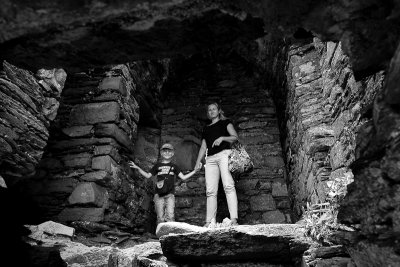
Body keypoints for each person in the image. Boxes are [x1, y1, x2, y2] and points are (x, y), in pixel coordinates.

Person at [129, 143, 199, 224]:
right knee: (160, 217)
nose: (167, 153)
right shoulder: (157, 166)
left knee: (170, 215)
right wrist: (138, 168)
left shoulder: (174, 167)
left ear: (173, 153)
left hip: (170, 194)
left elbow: (183, 177)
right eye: (165, 151)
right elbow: (148, 176)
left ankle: (170, 234)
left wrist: (194, 171)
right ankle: (160, 235)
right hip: (158, 194)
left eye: (169, 151)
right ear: (161, 153)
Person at [195, 102, 239, 227]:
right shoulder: (206, 128)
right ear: (208, 113)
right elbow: (203, 147)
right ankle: (209, 222)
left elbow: (235, 137)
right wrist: (198, 161)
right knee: (210, 191)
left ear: (219, 111)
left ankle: (234, 219)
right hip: (210, 160)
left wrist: (223, 138)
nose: (212, 111)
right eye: (209, 110)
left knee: (228, 186)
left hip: (224, 155)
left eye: (214, 109)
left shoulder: (226, 123)